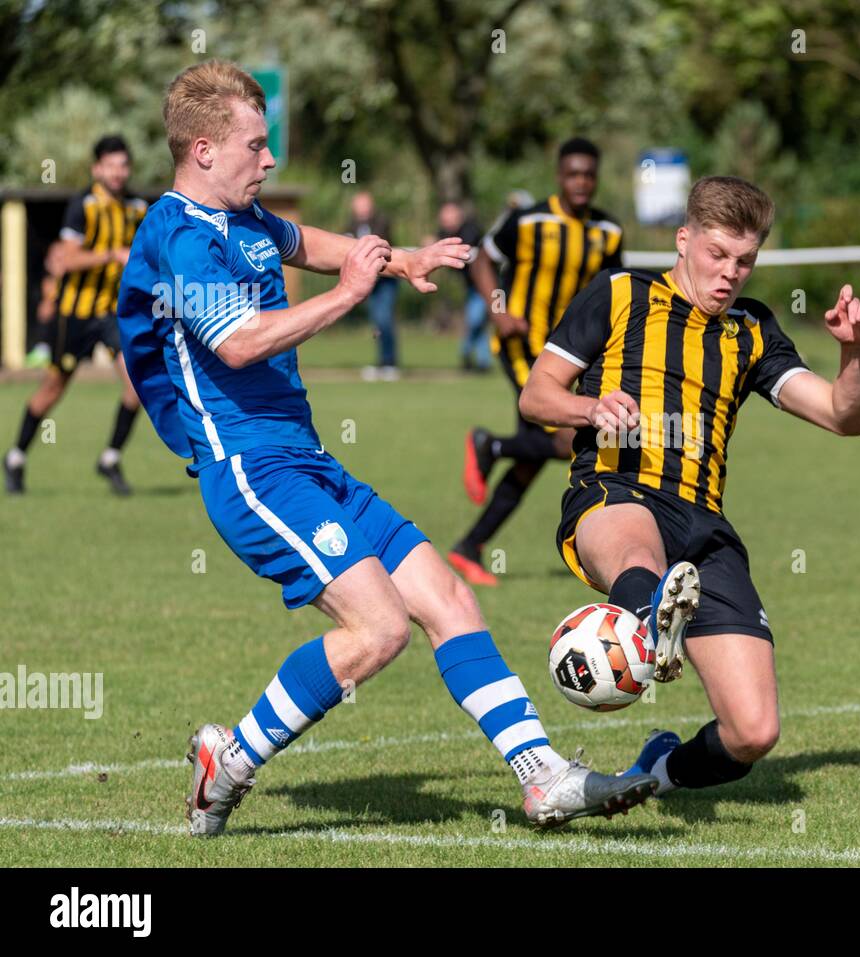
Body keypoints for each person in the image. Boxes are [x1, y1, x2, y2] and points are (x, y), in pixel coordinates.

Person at [115, 60, 656, 837]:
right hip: (249, 469)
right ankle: (228, 765)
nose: (270, 161)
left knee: (450, 598)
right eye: (256, 146)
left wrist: (401, 257)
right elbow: (236, 344)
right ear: (203, 150)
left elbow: (319, 243)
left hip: (304, 460)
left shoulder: (249, 220)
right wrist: (350, 296)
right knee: (379, 629)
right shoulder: (178, 235)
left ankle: (543, 778)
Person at [519, 175, 860, 797]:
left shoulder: (754, 330)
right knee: (638, 557)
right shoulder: (619, 293)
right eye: (718, 255)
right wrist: (591, 409)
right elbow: (535, 394)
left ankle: (655, 774)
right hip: (616, 488)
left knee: (754, 732)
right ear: (684, 241)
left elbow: (845, 418)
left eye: (746, 261)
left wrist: (854, 353)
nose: (731, 273)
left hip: (703, 527)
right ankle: (650, 624)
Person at [448, 138, 623, 586]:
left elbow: (618, 291)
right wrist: (499, 310)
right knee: (569, 440)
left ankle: (470, 547)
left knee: (532, 461)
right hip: (525, 346)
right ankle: (488, 445)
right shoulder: (528, 220)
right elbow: (480, 260)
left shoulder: (608, 231)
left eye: (588, 175)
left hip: (573, 356)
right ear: (559, 176)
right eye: (572, 174)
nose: (580, 182)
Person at [4, 135, 149, 495]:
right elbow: (66, 258)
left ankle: (110, 458)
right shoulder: (83, 204)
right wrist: (112, 255)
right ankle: (17, 456)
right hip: (75, 314)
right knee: (54, 386)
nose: (118, 172)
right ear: (97, 168)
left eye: (124, 165)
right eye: (111, 165)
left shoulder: (137, 207)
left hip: (112, 312)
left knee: (137, 385)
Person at [345, 191, 399, 380]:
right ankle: (383, 362)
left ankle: (390, 362)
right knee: (377, 321)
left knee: (384, 319)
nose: (361, 209)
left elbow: (378, 244)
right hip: (368, 279)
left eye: (364, 204)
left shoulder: (381, 221)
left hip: (385, 279)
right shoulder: (351, 223)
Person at [437, 201, 490, 372]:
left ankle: (466, 352)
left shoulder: (470, 230)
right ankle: (482, 362)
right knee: (479, 322)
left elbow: (466, 246)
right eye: (443, 220)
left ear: (458, 217)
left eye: (449, 218)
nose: (446, 223)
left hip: (495, 288)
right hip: (474, 288)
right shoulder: (444, 233)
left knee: (489, 318)